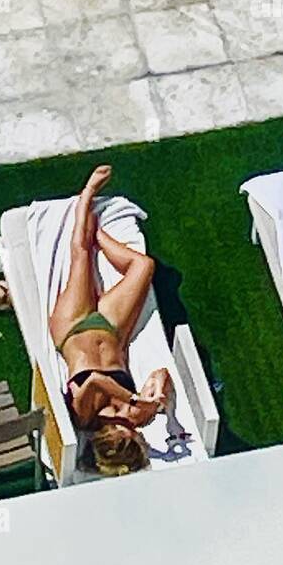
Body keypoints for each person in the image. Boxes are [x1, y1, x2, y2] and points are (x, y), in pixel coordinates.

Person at [48, 164, 181, 475]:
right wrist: (158, 392)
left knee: (81, 256)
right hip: (112, 332)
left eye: (132, 438)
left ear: (108, 438)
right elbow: (161, 372)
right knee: (143, 266)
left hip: (71, 330)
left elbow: (94, 380)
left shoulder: (84, 416)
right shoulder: (138, 416)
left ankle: (87, 195)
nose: (137, 432)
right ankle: (99, 234)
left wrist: (133, 397)